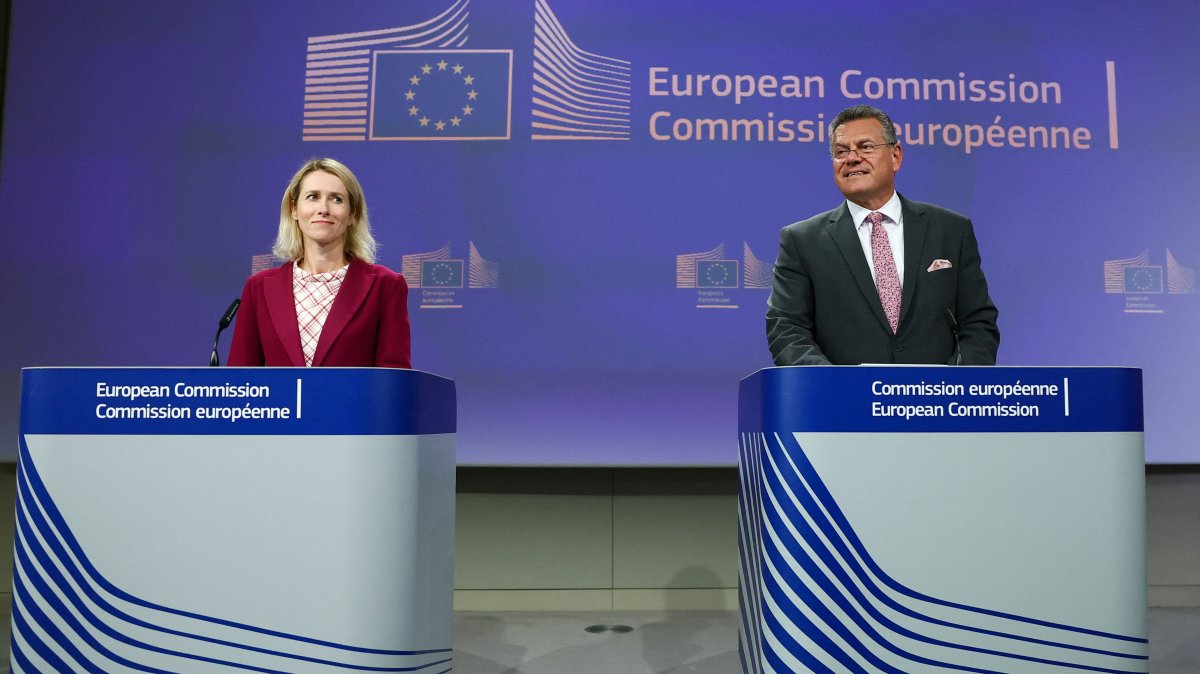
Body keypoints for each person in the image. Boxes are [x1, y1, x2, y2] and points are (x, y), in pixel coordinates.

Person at [766, 105, 999, 365]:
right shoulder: (802, 241)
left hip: (937, 399)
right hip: (845, 401)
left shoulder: (951, 230)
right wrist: (832, 386)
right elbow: (786, 329)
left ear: (896, 156)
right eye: (841, 151)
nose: (852, 158)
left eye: (865, 147)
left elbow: (978, 323)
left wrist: (959, 385)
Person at [227, 158, 411, 368]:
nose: (323, 209)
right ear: (294, 209)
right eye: (313, 197)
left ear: (352, 214)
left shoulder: (386, 285)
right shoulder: (259, 287)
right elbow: (241, 381)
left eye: (336, 199)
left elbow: (394, 380)